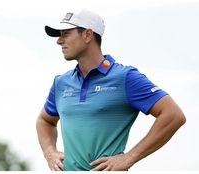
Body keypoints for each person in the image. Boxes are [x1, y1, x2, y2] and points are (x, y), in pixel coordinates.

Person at [36, 9, 186, 171]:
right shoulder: (61, 83)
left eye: (65, 33)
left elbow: (173, 115)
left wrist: (130, 157)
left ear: (87, 35)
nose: (59, 41)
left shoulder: (125, 77)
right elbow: (44, 121)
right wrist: (49, 152)